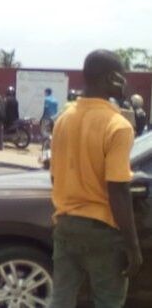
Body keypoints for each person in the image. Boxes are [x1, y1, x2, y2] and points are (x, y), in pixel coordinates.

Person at [50, 50, 142, 307]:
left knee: (61, 300)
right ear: (111, 79)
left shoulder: (63, 119)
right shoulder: (118, 126)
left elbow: (56, 177)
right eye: (121, 77)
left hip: (65, 224)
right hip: (103, 231)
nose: (125, 83)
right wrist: (132, 247)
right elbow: (118, 190)